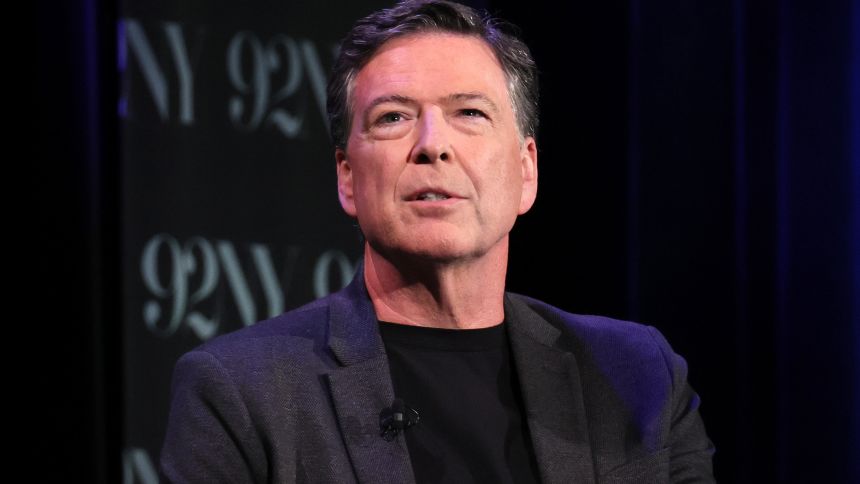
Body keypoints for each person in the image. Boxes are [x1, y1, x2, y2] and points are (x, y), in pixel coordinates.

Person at [159, 1, 716, 482]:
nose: (432, 144)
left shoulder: (637, 375)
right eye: (393, 117)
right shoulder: (240, 392)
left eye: (469, 112)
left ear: (526, 171)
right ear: (347, 177)